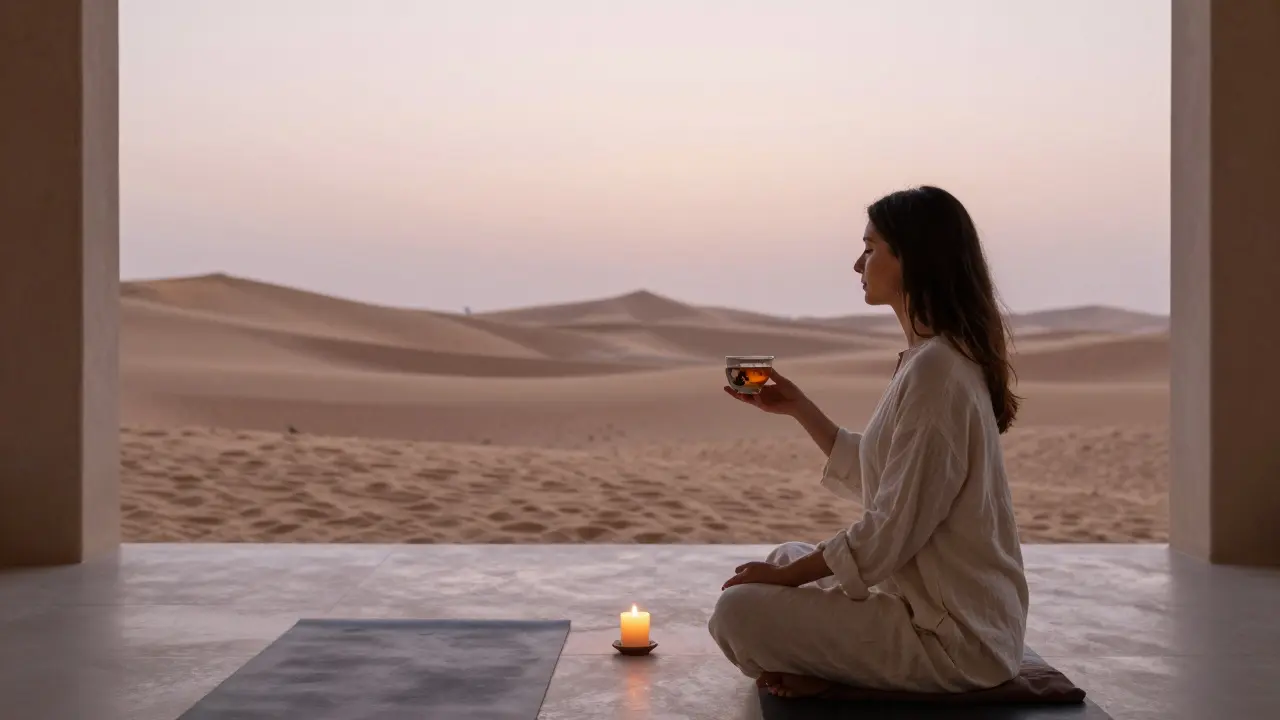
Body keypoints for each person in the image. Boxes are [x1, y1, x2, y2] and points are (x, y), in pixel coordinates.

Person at [707, 186, 1030, 699]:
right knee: (786, 555)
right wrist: (800, 408)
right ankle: (839, 666)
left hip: (954, 640)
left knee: (738, 611)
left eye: (871, 247)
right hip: (919, 601)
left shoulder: (938, 373)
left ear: (912, 259)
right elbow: (887, 479)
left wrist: (788, 578)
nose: (858, 264)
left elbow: (890, 528)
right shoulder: (927, 360)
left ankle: (850, 681)